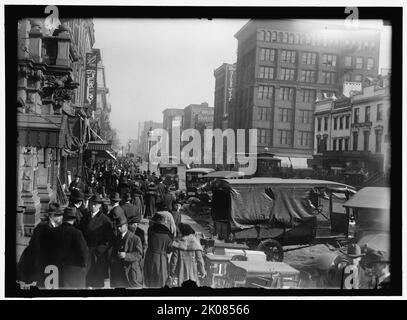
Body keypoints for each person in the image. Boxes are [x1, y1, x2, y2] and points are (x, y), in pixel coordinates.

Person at [17, 203, 63, 287]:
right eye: (59, 215)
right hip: (36, 261)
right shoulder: (43, 227)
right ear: (52, 216)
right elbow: (35, 246)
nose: (61, 217)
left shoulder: (54, 226)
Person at [79, 193, 115, 288]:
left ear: (99, 205)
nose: (92, 206)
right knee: (86, 280)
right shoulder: (85, 217)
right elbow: (80, 233)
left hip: (97, 255)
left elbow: (110, 240)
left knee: (96, 280)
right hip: (86, 252)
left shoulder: (105, 220)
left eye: (95, 204)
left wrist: (99, 251)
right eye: (91, 203)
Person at [51, 207, 88, 289]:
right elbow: (84, 254)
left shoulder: (53, 231)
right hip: (74, 273)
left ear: (63, 218)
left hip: (56, 272)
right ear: (74, 220)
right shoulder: (77, 233)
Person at [109, 216, 143, 288]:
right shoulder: (117, 238)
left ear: (126, 226)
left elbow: (139, 254)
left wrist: (126, 255)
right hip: (118, 273)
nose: (118, 228)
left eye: (120, 226)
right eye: (117, 226)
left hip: (131, 273)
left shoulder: (135, 239)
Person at [143, 213, 173, 288]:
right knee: (161, 277)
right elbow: (169, 249)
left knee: (149, 275)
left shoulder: (150, 230)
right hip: (162, 257)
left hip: (150, 255)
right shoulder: (168, 234)